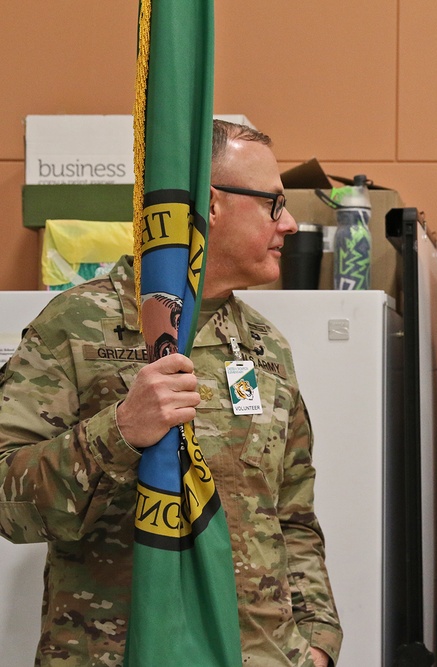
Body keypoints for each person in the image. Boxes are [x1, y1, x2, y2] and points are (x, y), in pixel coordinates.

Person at [0, 120, 342, 666]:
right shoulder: (76, 325)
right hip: (120, 652)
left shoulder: (264, 347)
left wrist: (318, 641)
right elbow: (7, 502)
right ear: (209, 205)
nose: (292, 224)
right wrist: (120, 431)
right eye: (274, 204)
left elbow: (292, 514)